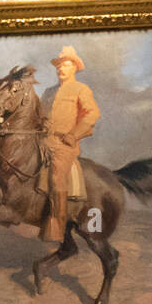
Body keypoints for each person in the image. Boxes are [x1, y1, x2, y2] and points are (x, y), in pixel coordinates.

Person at [40, 45, 100, 243]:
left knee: (57, 176)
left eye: (65, 65)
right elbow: (39, 115)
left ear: (74, 67)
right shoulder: (48, 92)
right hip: (42, 140)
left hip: (64, 145)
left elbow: (92, 114)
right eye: (58, 66)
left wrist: (74, 135)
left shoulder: (81, 89)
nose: (60, 69)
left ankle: (56, 224)